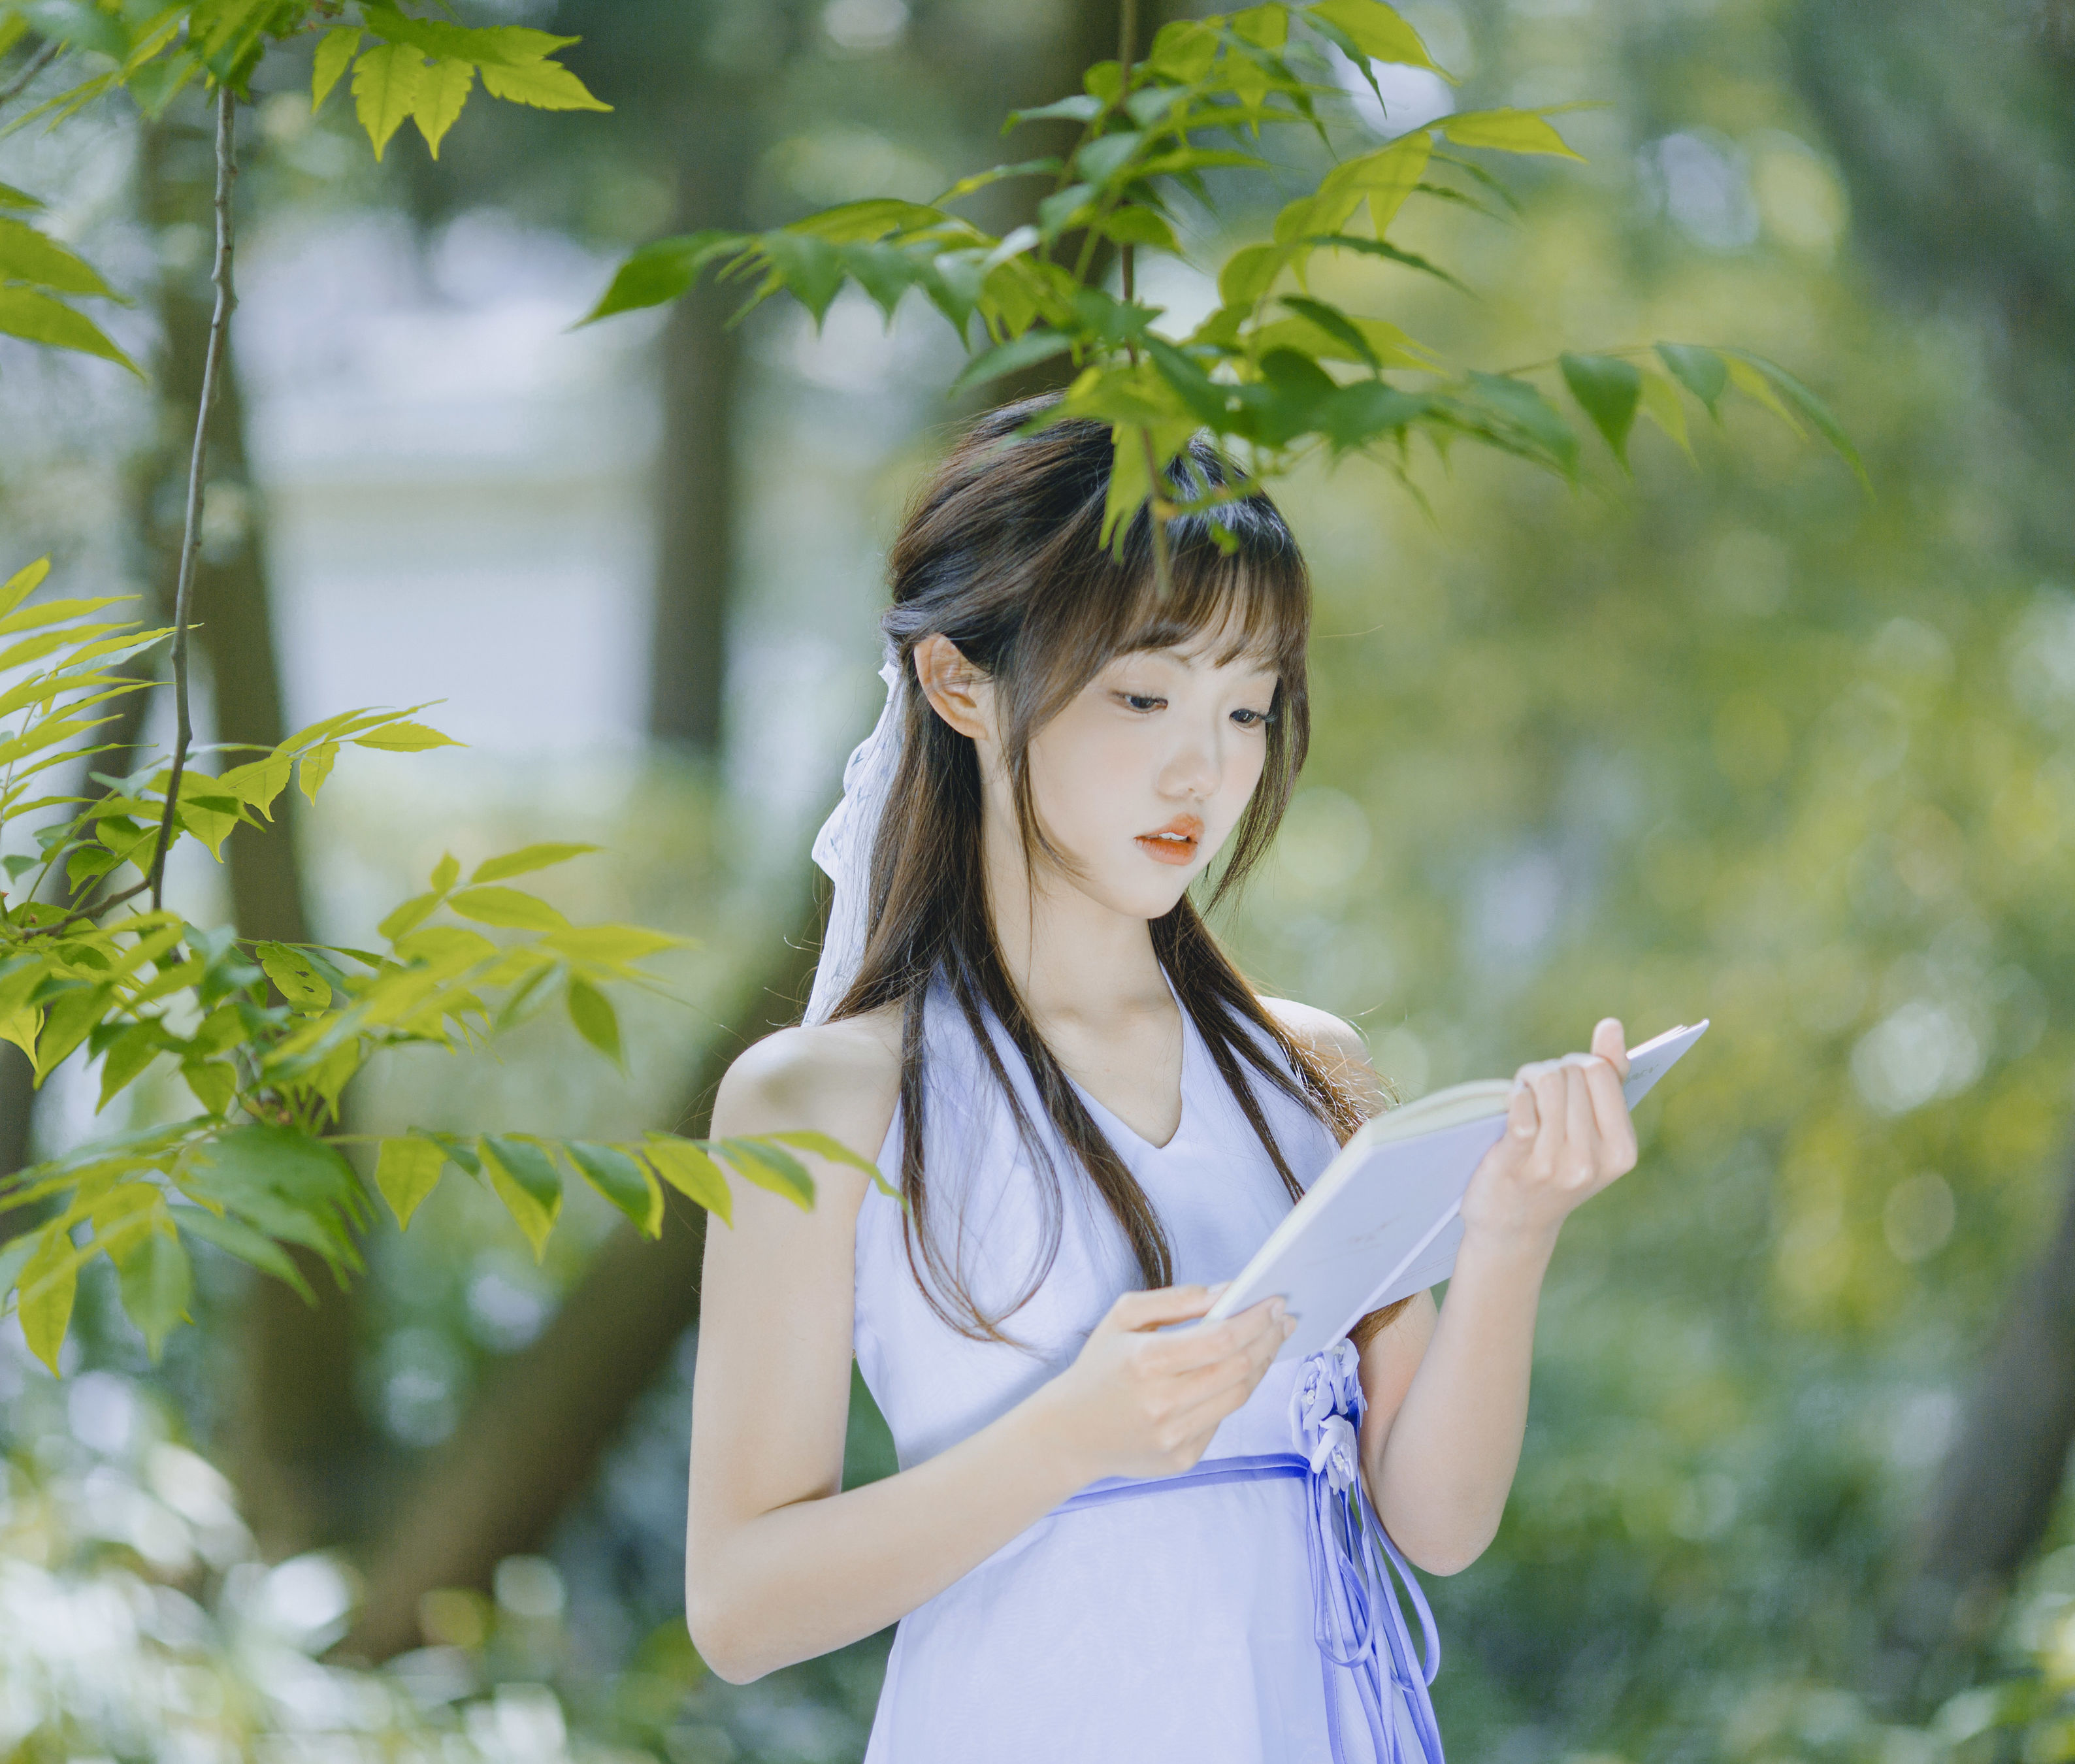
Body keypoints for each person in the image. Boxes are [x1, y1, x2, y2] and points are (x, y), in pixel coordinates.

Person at [685, 395, 1643, 1762]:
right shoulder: (823, 1098)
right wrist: (1071, 1437)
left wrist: (1510, 1235)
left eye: (1247, 707)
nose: (1205, 767)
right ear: (960, 684)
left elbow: (1434, 1522)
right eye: (1144, 695)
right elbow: (738, 1605)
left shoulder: (1308, 1068)